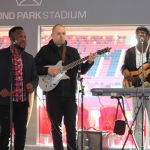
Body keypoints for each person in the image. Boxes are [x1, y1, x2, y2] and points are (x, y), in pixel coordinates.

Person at [34, 24, 97, 150]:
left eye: (63, 33)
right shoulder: (44, 51)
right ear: (52, 35)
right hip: (53, 95)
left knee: (71, 128)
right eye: (58, 33)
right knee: (55, 128)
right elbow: (34, 68)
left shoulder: (73, 52)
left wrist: (89, 62)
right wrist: (47, 70)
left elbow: (81, 71)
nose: (61, 36)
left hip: (70, 95)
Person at [0, 26, 39, 150]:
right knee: (5, 134)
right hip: (6, 103)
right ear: (12, 39)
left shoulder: (29, 58)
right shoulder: (2, 55)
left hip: (22, 102)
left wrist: (32, 85)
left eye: (25, 37)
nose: (23, 39)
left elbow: (35, 77)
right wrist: (1, 89)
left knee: (21, 133)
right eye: (19, 36)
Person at [121, 26, 150, 149]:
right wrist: (126, 72)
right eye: (139, 33)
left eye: (144, 33)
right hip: (135, 89)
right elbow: (124, 67)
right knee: (138, 125)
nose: (141, 35)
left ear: (148, 37)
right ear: (136, 36)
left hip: (149, 89)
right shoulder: (130, 52)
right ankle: (140, 148)